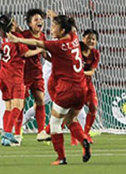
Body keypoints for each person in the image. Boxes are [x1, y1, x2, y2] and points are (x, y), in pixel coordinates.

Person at [8, 15, 92, 165]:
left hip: (67, 90)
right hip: (81, 88)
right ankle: (84, 140)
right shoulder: (73, 37)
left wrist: (18, 39)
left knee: (54, 124)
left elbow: (35, 42)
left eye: (54, 27)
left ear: (63, 30)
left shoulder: (58, 45)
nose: (51, 29)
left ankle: (61, 157)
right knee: (70, 119)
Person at [0, 14, 30, 146]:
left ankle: (5, 137)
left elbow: (8, 50)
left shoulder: (5, 38)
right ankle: (7, 132)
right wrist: (41, 48)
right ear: (12, 24)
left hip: (3, 75)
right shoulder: (17, 38)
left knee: (8, 107)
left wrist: (0, 51)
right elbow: (26, 53)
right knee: (18, 106)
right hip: (15, 76)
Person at [18, 9, 49, 141]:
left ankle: (41, 131)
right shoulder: (24, 36)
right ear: (30, 24)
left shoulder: (42, 36)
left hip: (37, 72)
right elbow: (25, 53)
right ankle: (17, 132)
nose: (40, 21)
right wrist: (40, 49)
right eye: (36, 19)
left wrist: (57, 61)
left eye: (41, 19)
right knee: (21, 104)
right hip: (23, 73)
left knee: (40, 101)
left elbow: (44, 54)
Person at [80, 29, 100, 138]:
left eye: (93, 39)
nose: (91, 41)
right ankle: (49, 132)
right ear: (83, 39)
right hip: (73, 85)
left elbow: (91, 72)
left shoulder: (95, 54)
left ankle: (86, 134)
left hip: (87, 85)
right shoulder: (76, 49)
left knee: (93, 107)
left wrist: (79, 73)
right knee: (68, 112)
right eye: (88, 38)